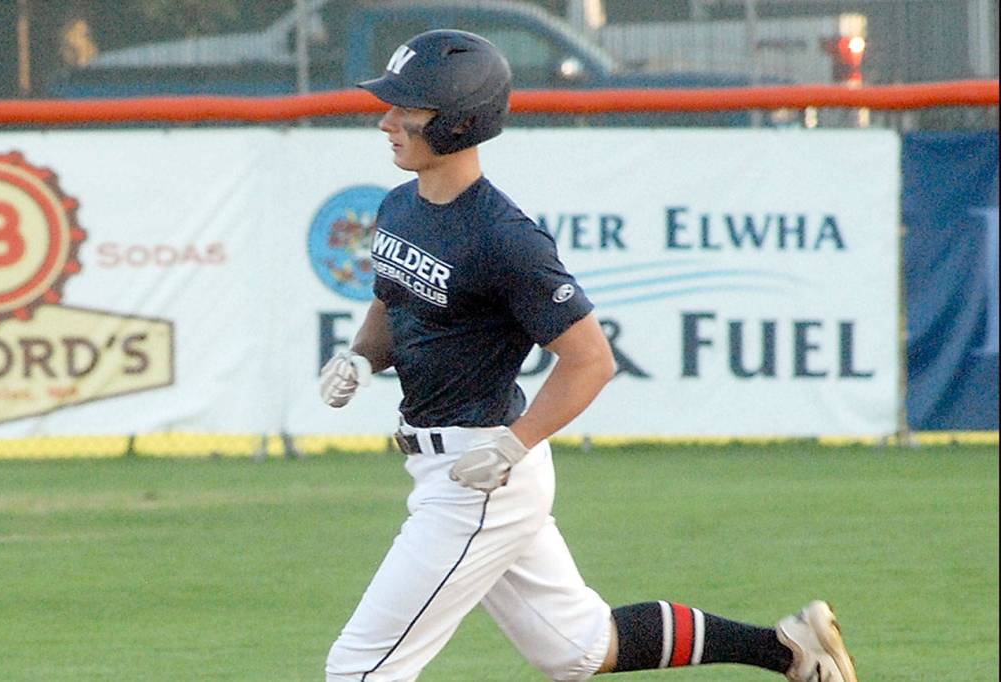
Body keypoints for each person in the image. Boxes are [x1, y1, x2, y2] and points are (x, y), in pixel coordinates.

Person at [320, 29, 857, 682]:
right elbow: (393, 301)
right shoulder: (400, 205)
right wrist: (359, 358)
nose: (386, 120)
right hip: (449, 470)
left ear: (460, 121)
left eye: (407, 108)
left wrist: (516, 444)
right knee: (579, 649)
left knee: (360, 668)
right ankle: (790, 649)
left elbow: (591, 359)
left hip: (481, 478)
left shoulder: (505, 238)